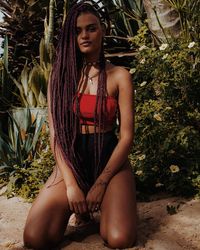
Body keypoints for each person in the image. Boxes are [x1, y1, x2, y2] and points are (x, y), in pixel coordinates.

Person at [23, 0, 137, 249]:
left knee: (119, 239)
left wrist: (100, 184)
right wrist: (72, 185)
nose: (84, 35)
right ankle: (83, 207)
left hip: (109, 161)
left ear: (102, 30)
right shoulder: (60, 76)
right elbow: (55, 135)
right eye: (77, 30)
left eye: (91, 28)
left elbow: (127, 137)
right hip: (72, 161)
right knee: (36, 238)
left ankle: (108, 203)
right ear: (69, 37)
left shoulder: (120, 76)